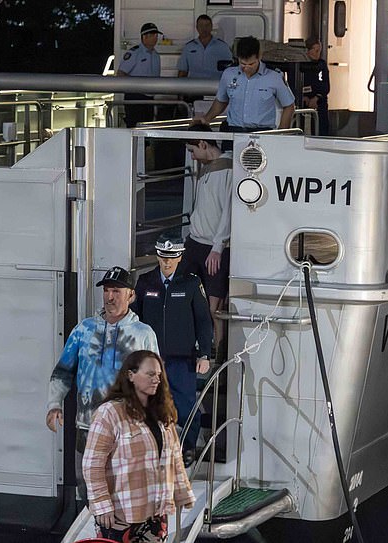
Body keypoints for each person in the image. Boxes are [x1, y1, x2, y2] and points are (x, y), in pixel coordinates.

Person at [46, 266, 159, 504]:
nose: (110, 296)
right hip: (86, 426)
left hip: (127, 427)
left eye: (117, 291)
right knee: (87, 487)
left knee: (124, 491)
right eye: (107, 290)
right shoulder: (83, 330)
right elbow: (63, 371)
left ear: (131, 295)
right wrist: (54, 403)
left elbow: (155, 381)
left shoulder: (143, 334)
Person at [83, 350, 195, 543]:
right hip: (120, 516)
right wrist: (101, 504)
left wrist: (183, 494)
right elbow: (92, 464)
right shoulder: (110, 413)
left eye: (159, 375)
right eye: (150, 374)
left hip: (156, 513)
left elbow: (174, 457)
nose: (156, 380)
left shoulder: (162, 414)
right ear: (131, 375)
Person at [132, 234, 213, 465]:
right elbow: (135, 318)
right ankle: (152, 446)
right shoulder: (145, 282)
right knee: (147, 404)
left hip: (181, 358)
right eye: (163, 257)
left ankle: (188, 447)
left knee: (186, 405)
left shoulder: (190, 283)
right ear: (157, 256)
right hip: (151, 358)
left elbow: (203, 320)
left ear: (179, 257)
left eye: (172, 257)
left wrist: (205, 353)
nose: (167, 262)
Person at [181, 124, 231, 362]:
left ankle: (219, 355)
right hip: (195, 243)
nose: (191, 156)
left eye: (192, 150)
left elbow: (228, 213)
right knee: (185, 295)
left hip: (212, 247)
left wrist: (218, 247)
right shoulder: (206, 170)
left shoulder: (227, 170)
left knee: (215, 307)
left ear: (203, 144)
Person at [199, 35, 295, 131]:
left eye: (251, 64)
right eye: (243, 64)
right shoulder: (229, 74)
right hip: (234, 129)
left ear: (259, 57)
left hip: (261, 132)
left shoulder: (274, 76)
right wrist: (206, 118)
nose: (246, 68)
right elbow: (221, 101)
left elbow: (289, 105)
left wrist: (282, 132)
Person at [117, 22, 162, 128]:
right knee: (134, 129)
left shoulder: (156, 55)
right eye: (153, 35)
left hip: (150, 98)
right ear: (144, 37)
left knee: (147, 129)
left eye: (156, 35)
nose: (156, 38)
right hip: (135, 97)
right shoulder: (134, 53)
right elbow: (121, 74)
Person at [177, 15, 233, 80]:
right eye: (201, 25)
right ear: (197, 27)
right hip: (193, 87)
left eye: (207, 25)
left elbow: (231, 71)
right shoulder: (188, 47)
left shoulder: (223, 47)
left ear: (211, 27)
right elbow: (182, 71)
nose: (204, 28)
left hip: (216, 86)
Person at [303, 37, 330, 136]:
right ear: (308, 51)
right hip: (303, 103)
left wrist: (317, 97)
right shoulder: (299, 65)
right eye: (316, 50)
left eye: (319, 51)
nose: (318, 53)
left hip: (320, 102)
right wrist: (301, 97)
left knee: (321, 128)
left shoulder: (321, 65)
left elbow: (326, 86)